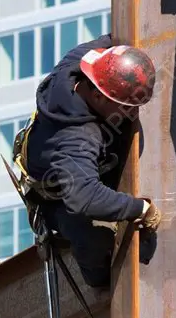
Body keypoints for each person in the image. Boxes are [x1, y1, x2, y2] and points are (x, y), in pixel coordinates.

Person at [13, 34, 162, 288]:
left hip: (70, 165)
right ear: (99, 96)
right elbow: (84, 197)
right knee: (91, 236)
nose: (134, 113)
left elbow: (113, 38)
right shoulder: (77, 138)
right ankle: (101, 285)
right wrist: (140, 209)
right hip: (57, 200)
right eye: (126, 106)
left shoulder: (80, 64)